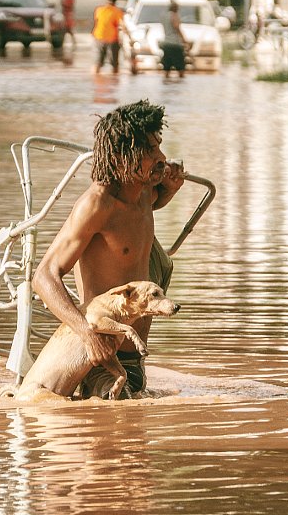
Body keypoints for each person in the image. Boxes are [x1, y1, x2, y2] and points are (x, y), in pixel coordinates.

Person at [32, 100, 186, 399]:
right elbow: (44, 275)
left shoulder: (142, 191)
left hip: (133, 357)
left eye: (159, 147)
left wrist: (169, 188)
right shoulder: (97, 205)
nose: (162, 158)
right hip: (102, 358)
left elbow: (144, 213)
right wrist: (88, 336)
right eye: (149, 152)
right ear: (121, 159)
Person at [91, 0, 129, 74]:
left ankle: (95, 78)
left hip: (98, 37)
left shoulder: (99, 10)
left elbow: (96, 22)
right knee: (114, 63)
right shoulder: (117, 11)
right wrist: (127, 34)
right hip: (112, 39)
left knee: (97, 62)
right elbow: (122, 24)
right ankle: (115, 80)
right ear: (115, 3)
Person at [160, 0, 188, 79]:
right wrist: (184, 40)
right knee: (180, 67)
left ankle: (166, 83)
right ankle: (180, 83)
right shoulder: (174, 15)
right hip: (175, 44)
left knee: (167, 67)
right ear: (175, 8)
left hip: (166, 43)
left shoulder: (164, 16)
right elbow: (177, 28)